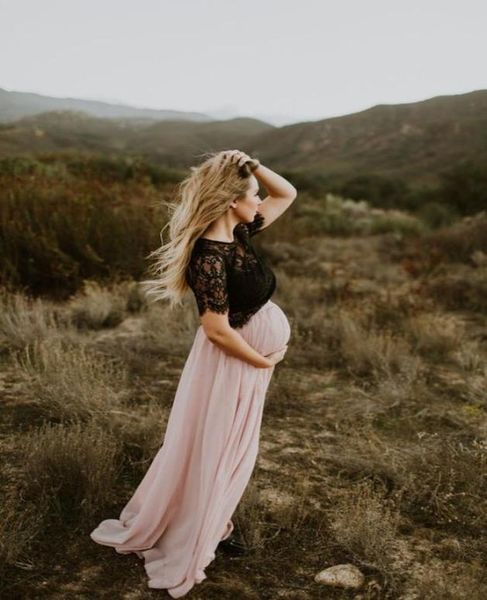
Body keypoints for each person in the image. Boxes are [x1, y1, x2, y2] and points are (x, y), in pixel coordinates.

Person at [89, 149, 297, 597]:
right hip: (233, 363)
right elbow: (217, 330)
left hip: (246, 363)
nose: (260, 201)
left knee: (229, 444)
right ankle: (198, 525)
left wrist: (253, 166)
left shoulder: (241, 231)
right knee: (218, 446)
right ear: (230, 203)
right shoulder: (210, 256)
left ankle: (211, 516)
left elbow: (288, 192)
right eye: (252, 196)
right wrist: (262, 361)